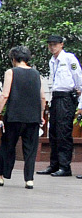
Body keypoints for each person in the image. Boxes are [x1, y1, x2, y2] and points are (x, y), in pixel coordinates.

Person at [0, 46, 46, 189]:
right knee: (30, 149)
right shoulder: (36, 74)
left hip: (14, 116)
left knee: (7, 146)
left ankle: (1, 176)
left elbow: (5, 95)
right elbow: (43, 97)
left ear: (14, 59)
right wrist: (41, 115)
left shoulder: (11, 72)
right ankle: (29, 180)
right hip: (32, 118)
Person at [38, 36, 82, 177]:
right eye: (50, 45)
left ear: (62, 45)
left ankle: (64, 166)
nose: (52, 47)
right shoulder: (52, 61)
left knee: (63, 132)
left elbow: (78, 77)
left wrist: (79, 95)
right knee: (54, 132)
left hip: (66, 97)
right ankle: (54, 164)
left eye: (55, 44)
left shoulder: (69, 58)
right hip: (56, 97)